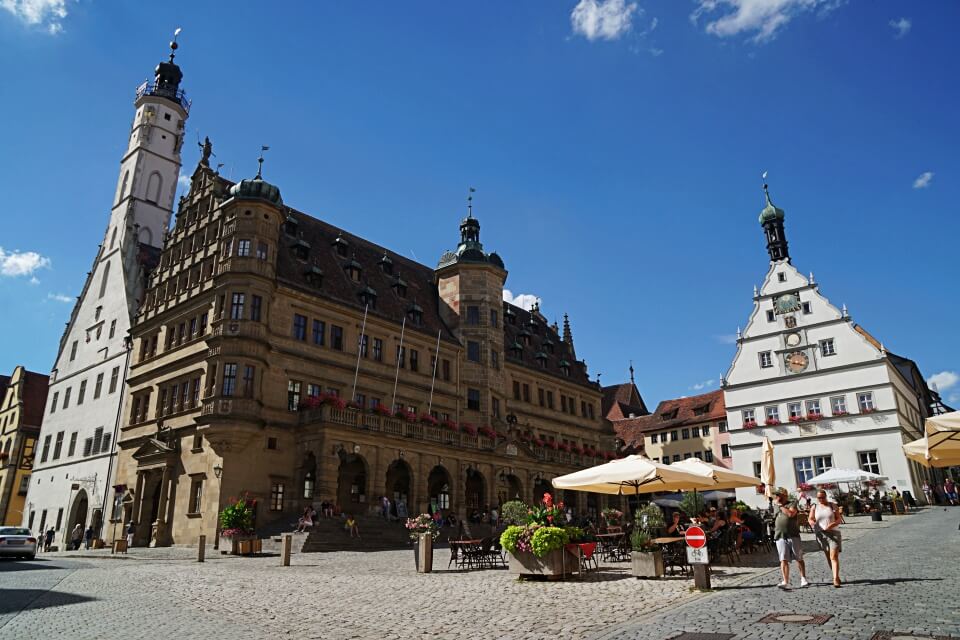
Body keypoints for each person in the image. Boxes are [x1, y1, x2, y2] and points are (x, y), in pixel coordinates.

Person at [773, 488, 808, 589]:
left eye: (778, 495)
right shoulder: (775, 506)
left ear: (784, 495)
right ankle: (785, 580)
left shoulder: (792, 504)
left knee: (799, 557)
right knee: (783, 559)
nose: (777, 497)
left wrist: (781, 506)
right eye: (776, 495)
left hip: (793, 534)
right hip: (780, 535)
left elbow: (790, 514)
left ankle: (803, 578)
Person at [809, 490, 843, 587]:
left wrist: (832, 524)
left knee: (833, 556)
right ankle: (835, 574)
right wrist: (812, 523)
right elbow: (810, 518)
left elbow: (838, 519)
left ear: (826, 496)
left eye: (823, 497)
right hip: (821, 534)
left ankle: (835, 579)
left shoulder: (832, 506)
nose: (821, 499)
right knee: (828, 556)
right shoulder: (815, 507)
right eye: (819, 498)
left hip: (834, 533)